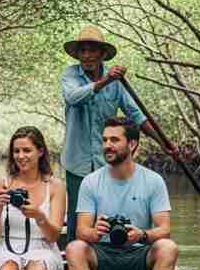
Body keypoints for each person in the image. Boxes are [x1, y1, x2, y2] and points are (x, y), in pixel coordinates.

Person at [60, 25, 173, 243]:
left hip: (107, 161)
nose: (87, 56)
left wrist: (163, 142)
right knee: (77, 220)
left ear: (102, 54)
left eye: (92, 50)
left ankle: (110, 254)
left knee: (109, 217)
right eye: (83, 50)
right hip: (77, 162)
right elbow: (73, 97)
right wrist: (106, 81)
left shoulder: (116, 84)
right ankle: (76, 256)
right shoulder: (70, 74)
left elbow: (137, 115)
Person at [64, 118, 178, 270]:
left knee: (168, 248)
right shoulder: (90, 182)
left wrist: (142, 235)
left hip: (139, 253)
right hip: (102, 253)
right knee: (74, 248)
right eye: (105, 140)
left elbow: (165, 230)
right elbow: (81, 231)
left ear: (132, 144)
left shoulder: (154, 181)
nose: (107, 145)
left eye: (114, 140)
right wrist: (95, 233)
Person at [0, 126, 67, 270]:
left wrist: (39, 216)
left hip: (42, 249)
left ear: (40, 151)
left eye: (27, 150)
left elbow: (54, 236)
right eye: (16, 151)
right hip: (5, 249)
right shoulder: (1, 184)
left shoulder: (55, 186)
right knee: (8, 265)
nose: (20, 156)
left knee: (37, 265)